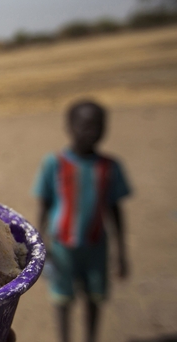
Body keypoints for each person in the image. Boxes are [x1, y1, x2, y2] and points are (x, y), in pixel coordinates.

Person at [32, 100, 130, 342]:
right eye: (85, 126)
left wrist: (121, 252)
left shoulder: (109, 167)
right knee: (62, 298)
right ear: (69, 127)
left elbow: (115, 210)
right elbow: (44, 205)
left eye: (98, 126)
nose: (92, 132)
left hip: (96, 245)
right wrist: (40, 241)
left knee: (95, 297)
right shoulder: (53, 164)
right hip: (62, 247)